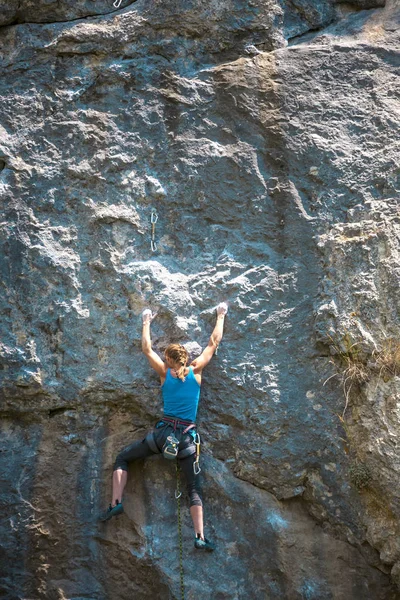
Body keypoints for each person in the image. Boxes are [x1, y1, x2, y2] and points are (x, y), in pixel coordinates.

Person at [99, 302, 228, 551]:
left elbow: (147, 349)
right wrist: (220, 315)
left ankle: (116, 501)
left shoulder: (164, 373)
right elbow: (213, 342)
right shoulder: (197, 371)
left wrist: (146, 320)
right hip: (187, 441)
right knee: (194, 489)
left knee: (123, 458)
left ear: (168, 360)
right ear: (187, 359)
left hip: (162, 436)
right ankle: (199, 537)